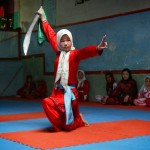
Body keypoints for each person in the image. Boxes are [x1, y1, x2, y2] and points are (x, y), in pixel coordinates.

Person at [37, 6, 108, 132]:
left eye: (68, 40)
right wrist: (43, 18)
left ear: (71, 41)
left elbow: (85, 52)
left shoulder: (75, 54)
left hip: (70, 94)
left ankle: (77, 120)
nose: (65, 43)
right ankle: (60, 126)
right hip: (57, 93)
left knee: (69, 127)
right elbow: (51, 34)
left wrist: (98, 48)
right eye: (62, 41)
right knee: (46, 102)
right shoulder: (58, 51)